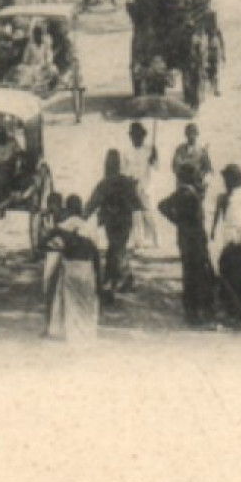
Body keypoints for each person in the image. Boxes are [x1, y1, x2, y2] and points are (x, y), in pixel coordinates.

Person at [159, 165, 215, 326]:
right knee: (196, 275)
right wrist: (178, 221)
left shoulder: (183, 192)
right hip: (195, 240)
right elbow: (162, 206)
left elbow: (162, 206)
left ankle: (191, 312)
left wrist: (177, 222)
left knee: (190, 274)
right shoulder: (187, 193)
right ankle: (195, 313)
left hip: (185, 238)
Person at [41, 195, 101, 342]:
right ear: (80, 209)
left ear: (67, 208)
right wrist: (99, 277)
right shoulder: (88, 227)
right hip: (87, 267)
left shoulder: (63, 226)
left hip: (70, 265)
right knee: (87, 299)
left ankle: (61, 330)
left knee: (67, 299)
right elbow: (96, 253)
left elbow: (45, 242)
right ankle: (86, 332)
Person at [84, 149, 142, 297]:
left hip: (111, 220)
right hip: (125, 221)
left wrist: (82, 216)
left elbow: (93, 203)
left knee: (115, 246)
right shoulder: (127, 182)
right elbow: (137, 204)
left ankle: (115, 280)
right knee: (117, 246)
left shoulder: (105, 183)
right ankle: (120, 277)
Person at [211, 164, 241, 328]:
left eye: (226, 179)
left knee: (233, 278)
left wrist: (232, 244)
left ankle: (239, 314)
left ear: (233, 180)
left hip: (237, 242)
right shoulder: (240, 195)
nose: (224, 182)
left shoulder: (237, 198)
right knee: (239, 278)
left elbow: (238, 223)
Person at [121, 122, 160, 250]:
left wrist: (154, 157)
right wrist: (129, 181)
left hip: (146, 186)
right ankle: (139, 241)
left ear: (143, 136)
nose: (135, 139)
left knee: (149, 213)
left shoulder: (150, 150)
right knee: (135, 214)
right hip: (132, 185)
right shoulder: (127, 152)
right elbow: (124, 170)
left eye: (138, 136)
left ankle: (156, 239)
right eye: (133, 136)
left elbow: (156, 167)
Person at [171, 122, 213, 192]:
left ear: (197, 134)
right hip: (182, 184)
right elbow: (175, 166)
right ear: (185, 134)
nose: (191, 136)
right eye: (189, 133)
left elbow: (207, 168)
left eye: (193, 133)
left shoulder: (202, 150)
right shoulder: (180, 149)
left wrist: (201, 176)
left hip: (196, 184)